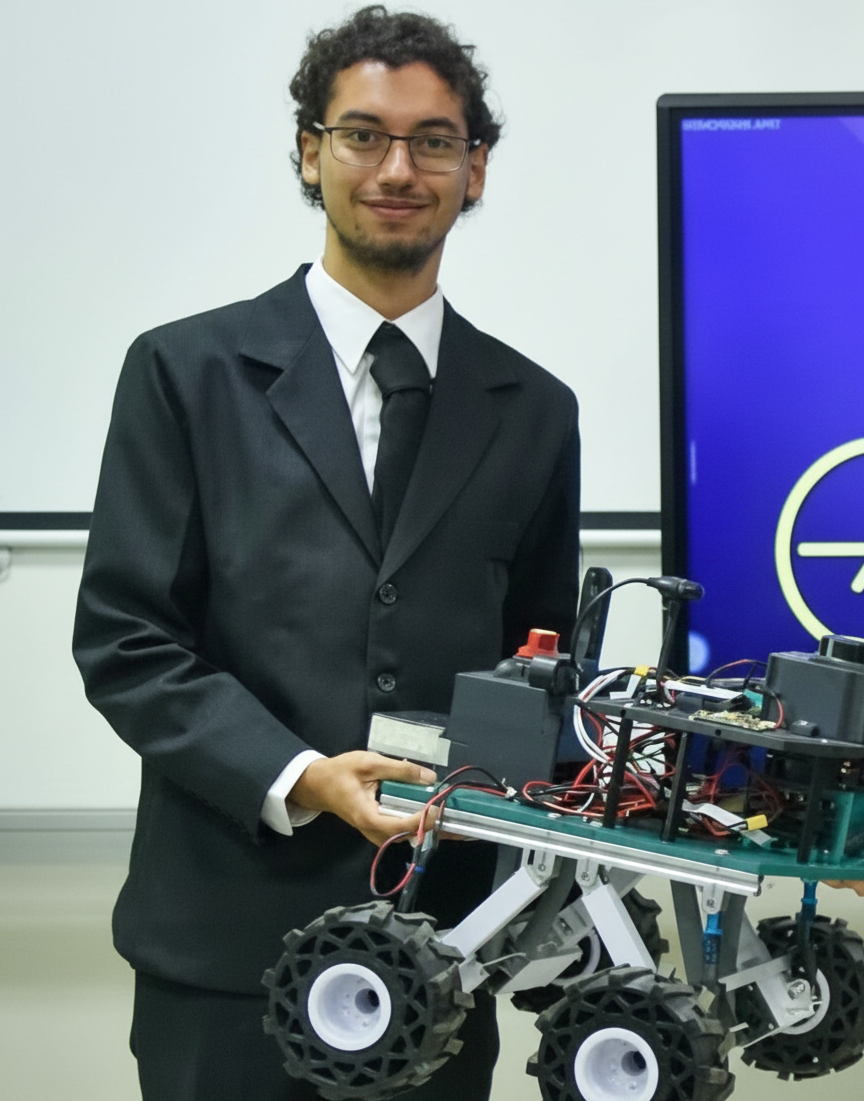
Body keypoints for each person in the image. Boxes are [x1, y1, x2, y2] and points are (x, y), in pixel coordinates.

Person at [72, 6, 580, 1100]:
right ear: (312, 152)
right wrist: (302, 777)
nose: (398, 168)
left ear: (475, 167)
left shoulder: (535, 410)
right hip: (223, 948)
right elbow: (126, 643)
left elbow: (544, 681)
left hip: (444, 950)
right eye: (363, 134)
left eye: (433, 141)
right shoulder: (184, 373)